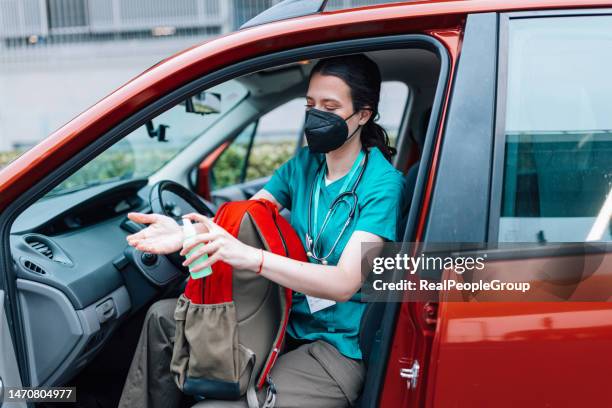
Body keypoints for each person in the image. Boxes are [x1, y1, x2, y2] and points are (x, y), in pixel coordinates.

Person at [118, 54, 407, 408]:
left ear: (363, 114)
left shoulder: (383, 184)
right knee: (163, 320)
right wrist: (187, 234)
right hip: (284, 319)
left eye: (330, 107)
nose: (316, 115)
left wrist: (254, 258)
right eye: (311, 104)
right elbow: (242, 220)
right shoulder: (304, 165)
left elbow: (344, 283)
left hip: (334, 348)